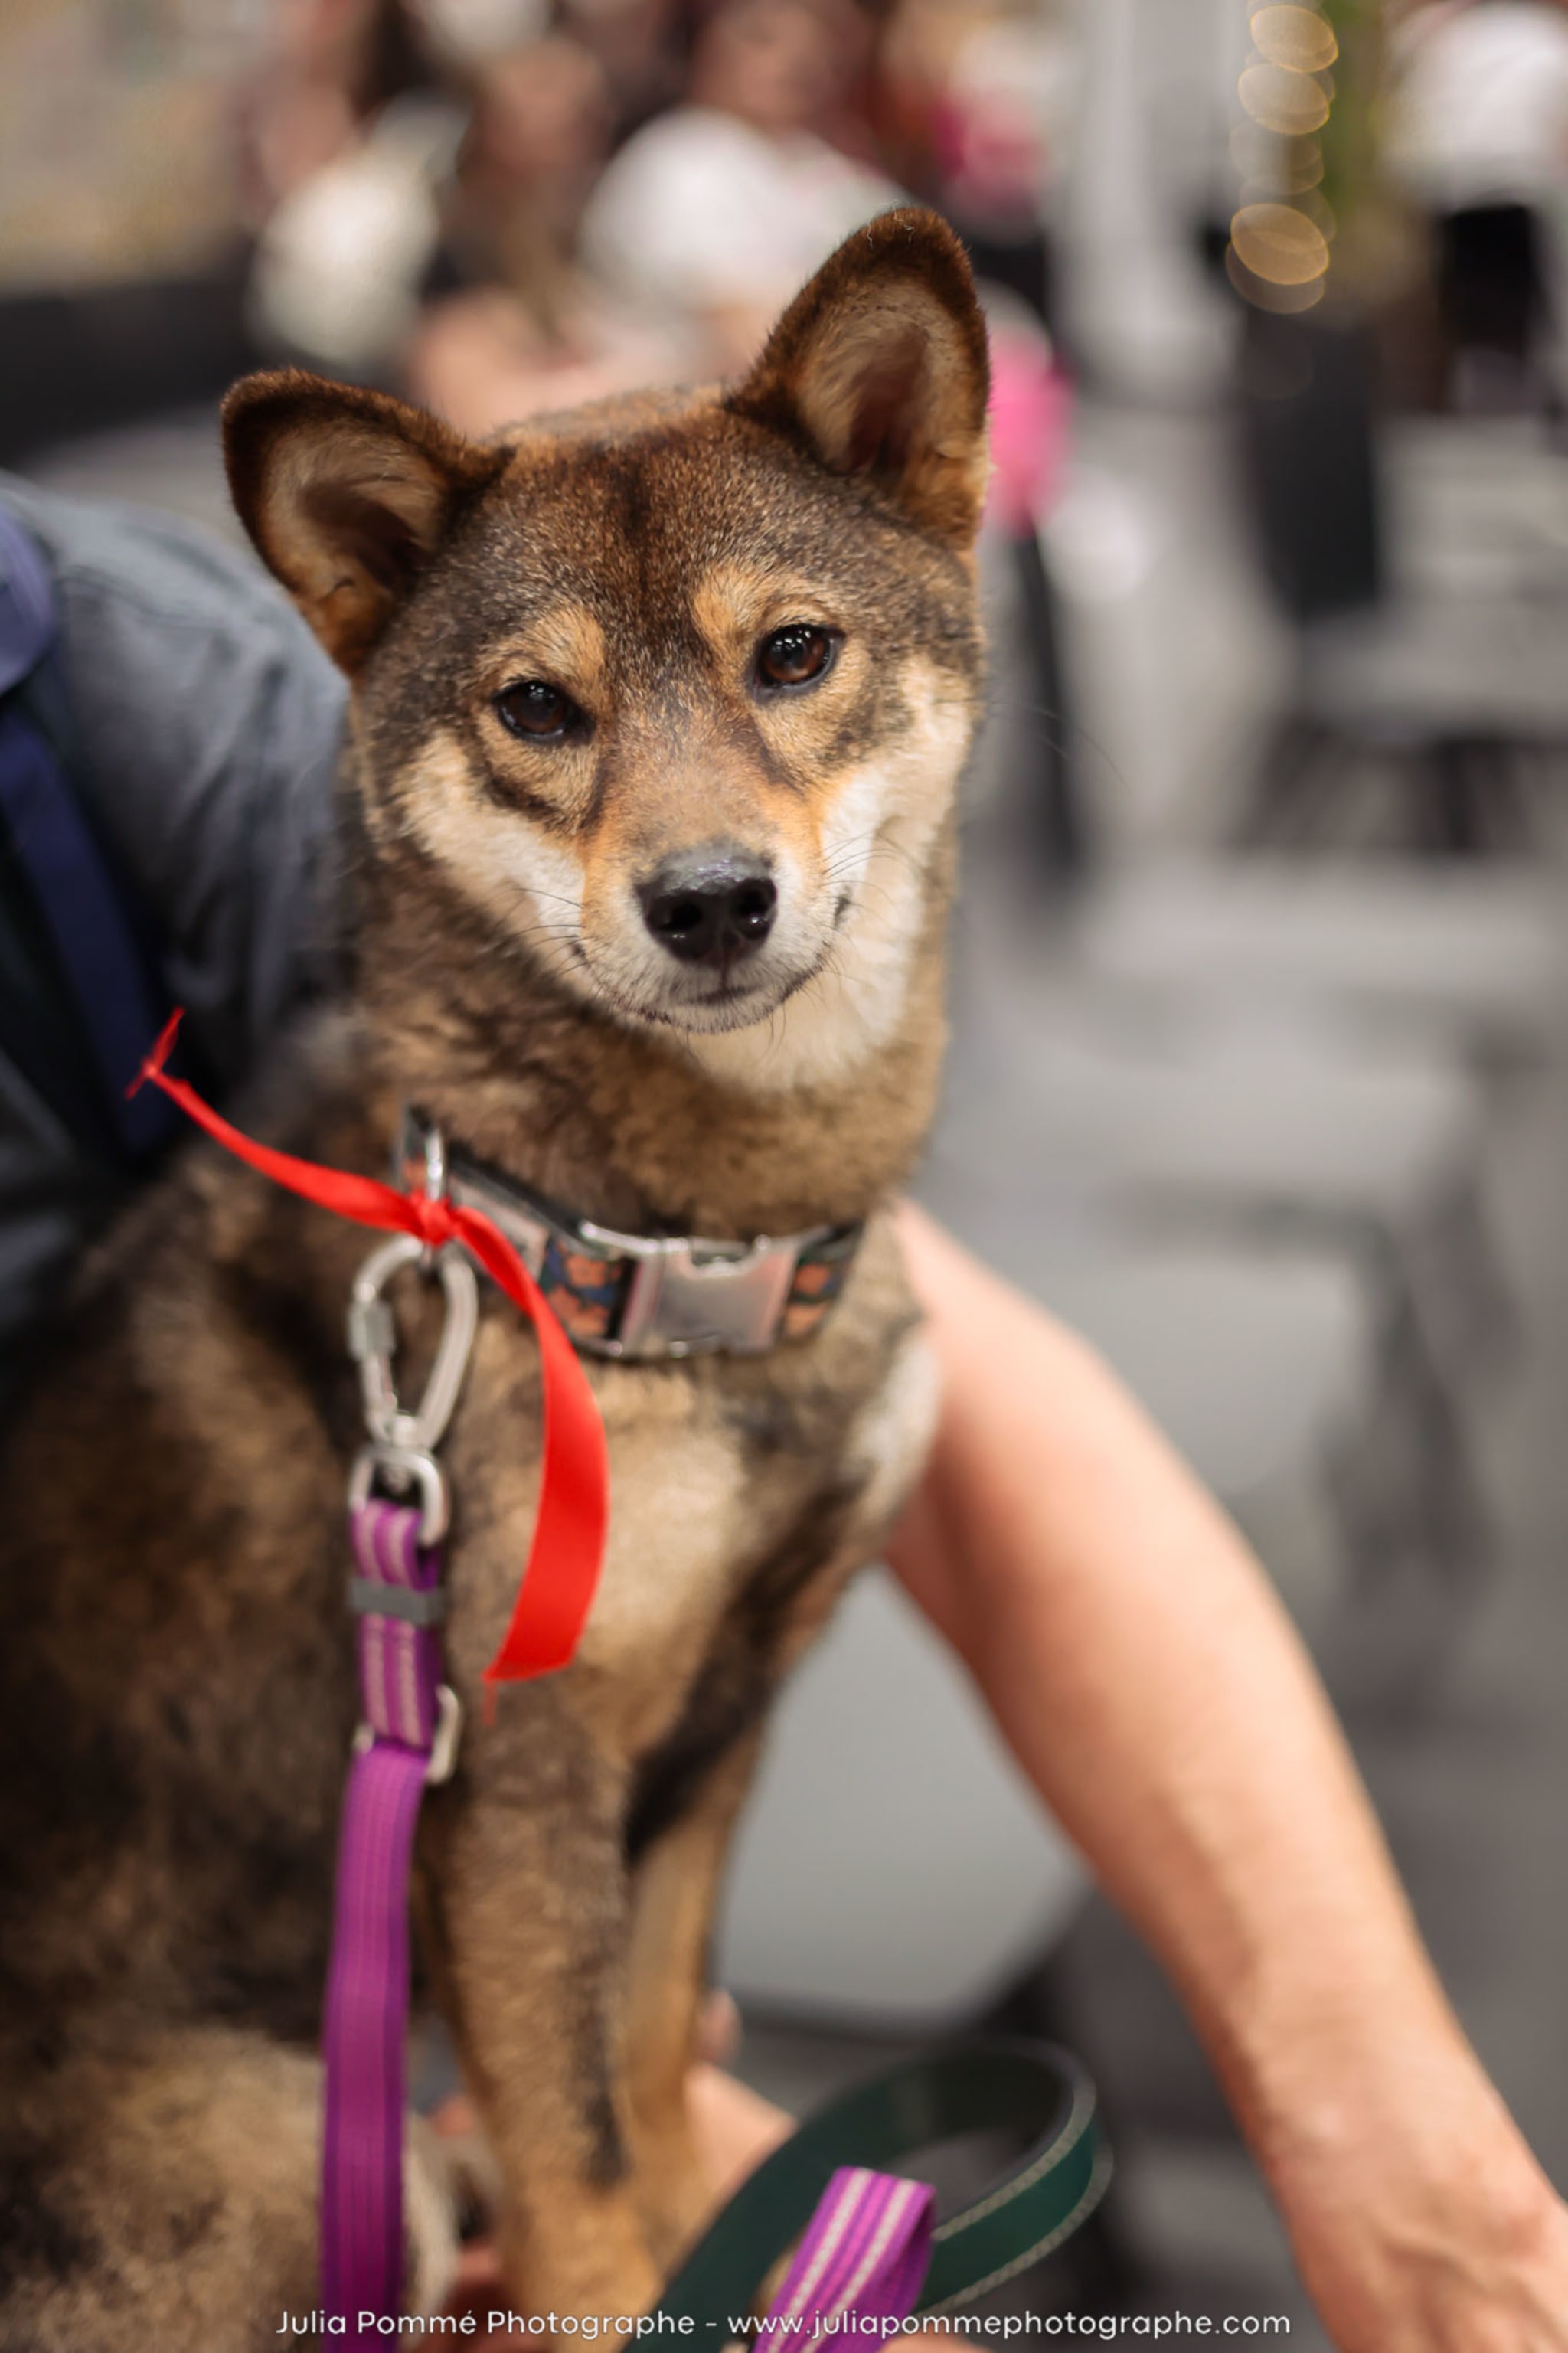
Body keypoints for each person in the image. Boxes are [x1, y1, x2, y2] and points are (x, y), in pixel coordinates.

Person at [4, 476, 1568, 2347]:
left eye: (794, 663)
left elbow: (879, 1356)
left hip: (334, 2015)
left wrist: (1407, 2166)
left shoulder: (95, 701)